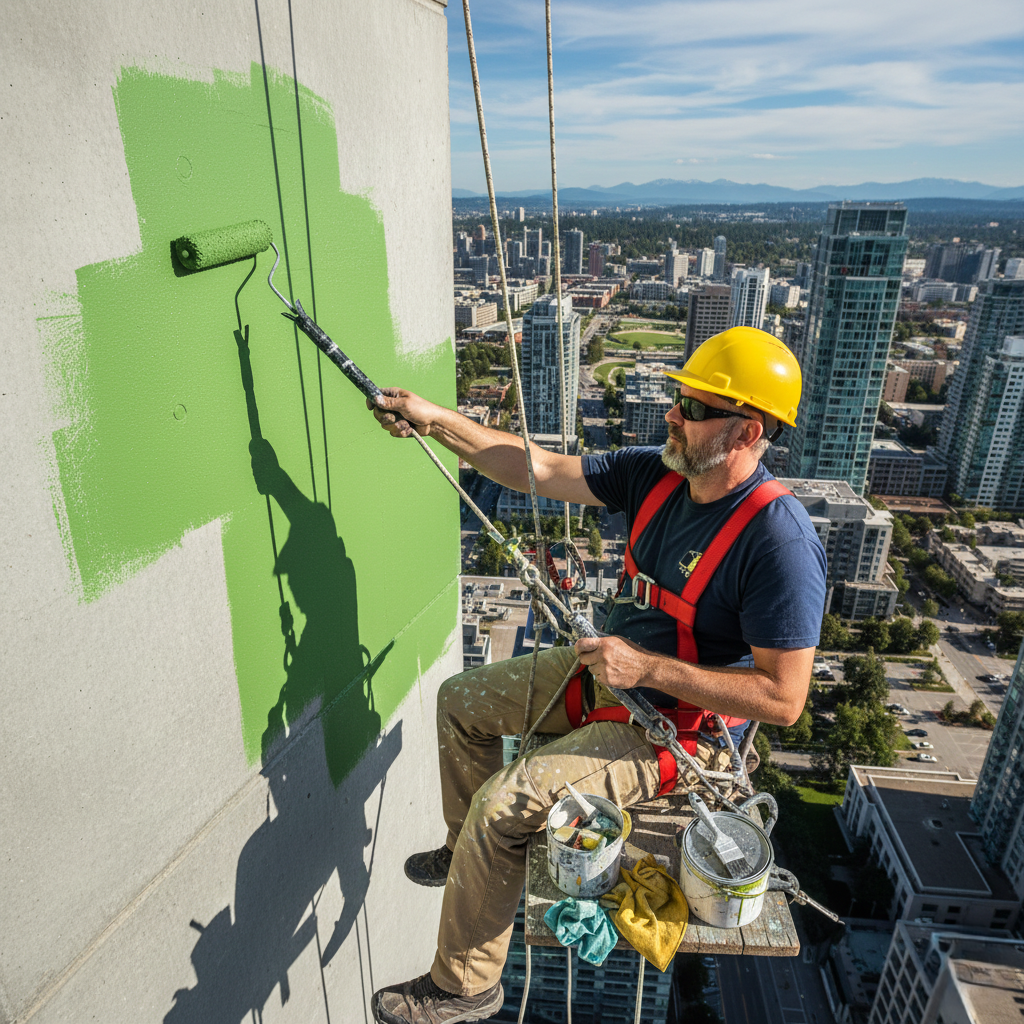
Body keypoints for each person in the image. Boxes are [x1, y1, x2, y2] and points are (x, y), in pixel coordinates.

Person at [367, 327, 827, 1024]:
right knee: (462, 703)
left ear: (746, 431)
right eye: (678, 399)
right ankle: (471, 853)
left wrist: (644, 667)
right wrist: (436, 421)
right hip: (611, 674)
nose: (673, 415)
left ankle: (465, 986)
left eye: (694, 408)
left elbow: (783, 698)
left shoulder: (779, 543)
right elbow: (537, 469)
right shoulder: (659, 473)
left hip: (678, 733)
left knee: (505, 804)